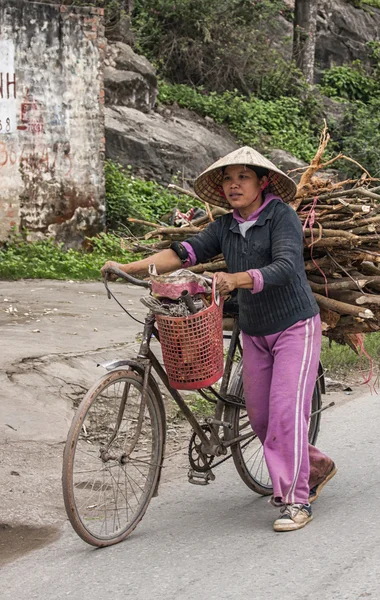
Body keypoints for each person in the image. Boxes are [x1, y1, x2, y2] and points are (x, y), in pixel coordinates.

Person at [102, 146, 337, 532]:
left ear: (263, 182)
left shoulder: (282, 217)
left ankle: (296, 502)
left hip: (296, 326)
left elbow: (285, 265)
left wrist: (238, 279)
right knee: (261, 420)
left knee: (283, 414)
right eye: (227, 179)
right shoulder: (226, 226)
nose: (233, 185)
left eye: (242, 177)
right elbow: (183, 252)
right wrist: (125, 267)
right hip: (255, 331)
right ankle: (316, 464)